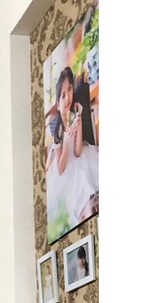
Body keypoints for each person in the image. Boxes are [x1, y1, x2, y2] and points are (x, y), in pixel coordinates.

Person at [46, 66, 99, 238]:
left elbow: (77, 152)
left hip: (77, 158)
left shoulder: (75, 112)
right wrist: (67, 141)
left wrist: (79, 124)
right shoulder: (56, 128)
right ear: (58, 103)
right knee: (77, 192)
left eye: (69, 90)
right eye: (63, 95)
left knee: (85, 175)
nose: (68, 97)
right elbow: (60, 168)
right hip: (63, 169)